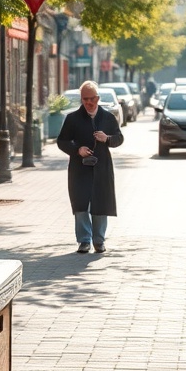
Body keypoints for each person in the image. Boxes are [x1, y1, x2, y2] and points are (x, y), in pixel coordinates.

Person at [56, 80, 124, 254]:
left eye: (91, 99)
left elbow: (119, 138)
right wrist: (77, 150)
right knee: (81, 204)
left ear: (98, 98)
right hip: (79, 168)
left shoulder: (108, 117)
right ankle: (84, 241)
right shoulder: (73, 118)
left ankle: (99, 241)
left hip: (102, 167)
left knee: (100, 203)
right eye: (85, 99)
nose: (88, 102)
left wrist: (106, 138)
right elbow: (62, 141)